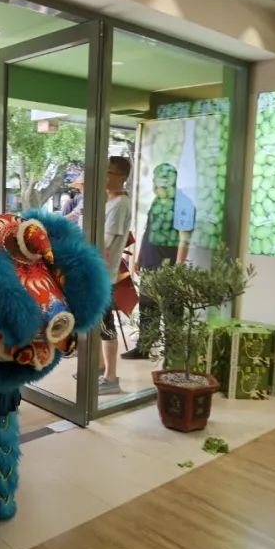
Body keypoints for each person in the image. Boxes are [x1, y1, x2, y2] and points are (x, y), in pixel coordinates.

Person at [123, 163, 192, 360]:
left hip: (168, 267)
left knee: (172, 312)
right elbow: (148, 230)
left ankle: (173, 353)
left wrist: (178, 268)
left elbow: (184, 238)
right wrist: (139, 257)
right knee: (147, 307)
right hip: (150, 263)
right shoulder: (157, 202)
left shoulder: (183, 204)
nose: (155, 183)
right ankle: (144, 347)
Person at [98, 157, 133, 395]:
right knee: (98, 323)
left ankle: (111, 377)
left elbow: (105, 242)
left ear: (121, 177)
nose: (105, 176)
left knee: (106, 324)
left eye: (109, 172)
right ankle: (101, 367)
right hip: (98, 272)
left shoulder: (120, 204)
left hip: (104, 275)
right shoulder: (108, 201)